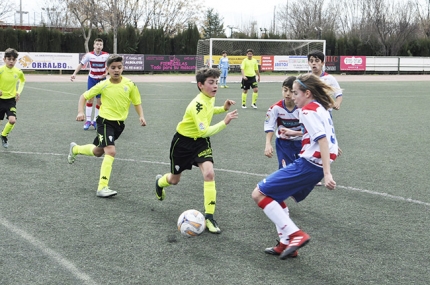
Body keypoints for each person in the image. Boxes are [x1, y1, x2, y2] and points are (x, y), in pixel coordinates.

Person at [252, 73, 338, 259]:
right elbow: (326, 137)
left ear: (307, 93)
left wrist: (327, 174)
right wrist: (293, 132)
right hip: (313, 165)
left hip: (308, 165)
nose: (293, 96)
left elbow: (322, 139)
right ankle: (285, 243)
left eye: (296, 93)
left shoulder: (306, 111)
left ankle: (295, 235)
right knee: (275, 195)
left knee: (258, 194)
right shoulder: (321, 107)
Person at [155, 67, 238, 234]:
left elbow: (209, 111)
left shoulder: (209, 97)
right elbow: (204, 130)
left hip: (200, 143)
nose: (215, 86)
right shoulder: (197, 104)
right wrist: (225, 122)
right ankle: (159, 182)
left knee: (209, 174)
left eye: (216, 82)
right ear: (200, 85)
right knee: (174, 180)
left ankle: (209, 217)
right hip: (183, 144)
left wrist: (223, 108)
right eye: (211, 82)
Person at [68, 54, 147, 198]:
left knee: (98, 152)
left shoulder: (130, 84)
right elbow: (83, 97)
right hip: (104, 122)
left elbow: (136, 102)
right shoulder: (103, 84)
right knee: (110, 151)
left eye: (119, 67)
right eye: (113, 68)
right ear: (107, 69)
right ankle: (102, 187)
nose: (116, 70)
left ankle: (76, 149)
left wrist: (141, 116)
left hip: (119, 125)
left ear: (123, 68)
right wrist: (81, 112)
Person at [71, 38, 109, 130]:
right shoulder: (89, 55)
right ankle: (88, 121)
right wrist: (74, 73)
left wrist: (106, 72)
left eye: (100, 44)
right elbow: (81, 64)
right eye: (97, 44)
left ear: (102, 46)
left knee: (99, 101)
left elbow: (110, 66)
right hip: (92, 79)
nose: (99, 46)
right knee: (90, 99)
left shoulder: (106, 55)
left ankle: (95, 121)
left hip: (102, 80)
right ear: (94, 45)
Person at [264, 76, 302, 169]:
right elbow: (270, 127)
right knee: (285, 170)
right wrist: (268, 144)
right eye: (285, 90)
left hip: (302, 142)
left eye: (291, 91)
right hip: (283, 143)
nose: (288, 94)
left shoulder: (303, 108)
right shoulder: (275, 108)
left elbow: (312, 128)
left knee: (303, 170)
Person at [0, 48, 26, 148]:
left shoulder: (18, 72)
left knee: (12, 120)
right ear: (4, 59)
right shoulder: (1, 70)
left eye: (13, 59)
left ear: (16, 60)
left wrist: (18, 92)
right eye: (9, 59)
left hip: (11, 100)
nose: (11, 61)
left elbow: (22, 81)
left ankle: (4, 135)